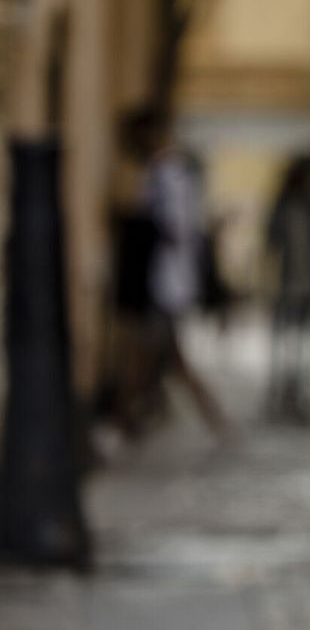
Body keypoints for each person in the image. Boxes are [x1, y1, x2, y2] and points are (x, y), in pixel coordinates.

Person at [114, 106, 229, 440]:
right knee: (158, 356)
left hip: (163, 283)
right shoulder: (170, 172)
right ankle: (139, 416)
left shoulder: (168, 173)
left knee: (156, 356)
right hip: (167, 281)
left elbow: (174, 229)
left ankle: (211, 418)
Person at [262, 153, 310, 423]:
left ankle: (300, 394)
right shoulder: (283, 206)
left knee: (304, 341)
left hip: (308, 283)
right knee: (283, 341)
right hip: (285, 284)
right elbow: (270, 241)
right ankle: (280, 392)